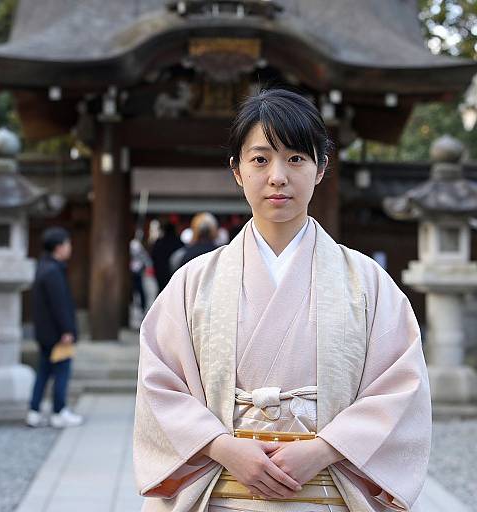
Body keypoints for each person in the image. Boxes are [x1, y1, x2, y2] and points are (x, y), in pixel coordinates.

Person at [133, 89, 431, 511]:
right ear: (237, 171)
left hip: (328, 494)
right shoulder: (193, 282)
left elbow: (402, 386)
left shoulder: (367, 282)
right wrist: (223, 446)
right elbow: (159, 383)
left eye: (296, 159)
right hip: (223, 494)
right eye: (260, 159)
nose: (278, 176)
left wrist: (324, 449)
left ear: (321, 168)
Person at [26, 227, 83, 428]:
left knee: (43, 371)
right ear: (59, 247)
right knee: (61, 371)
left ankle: (34, 410)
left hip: (45, 333)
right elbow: (60, 305)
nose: (70, 247)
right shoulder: (53, 271)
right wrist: (67, 330)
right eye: (67, 244)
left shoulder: (43, 268)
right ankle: (59, 411)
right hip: (57, 334)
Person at [150, 222, 184, 292]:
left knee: (162, 290)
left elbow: (153, 256)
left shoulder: (159, 242)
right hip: (174, 272)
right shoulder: (178, 242)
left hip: (161, 271)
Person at [130, 230, 152, 312]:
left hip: (136, 270)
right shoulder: (135, 245)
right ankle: (141, 306)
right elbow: (144, 257)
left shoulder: (136, 244)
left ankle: (141, 306)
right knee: (138, 289)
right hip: (135, 270)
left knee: (139, 289)